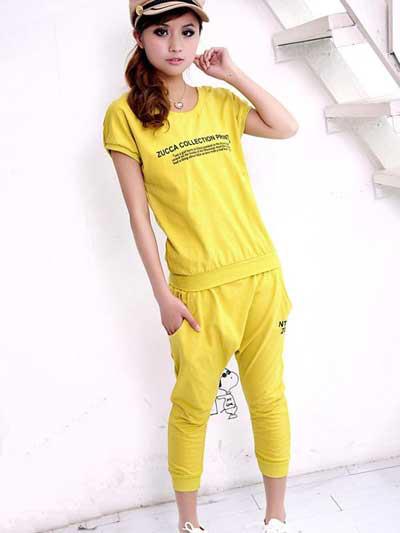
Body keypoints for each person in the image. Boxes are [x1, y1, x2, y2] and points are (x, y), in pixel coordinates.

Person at [102, 1, 299, 532]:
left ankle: (276, 516)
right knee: (191, 407)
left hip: (259, 277)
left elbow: (286, 126)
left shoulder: (220, 102)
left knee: (269, 398)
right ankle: (188, 523)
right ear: (139, 37)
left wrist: (232, 74)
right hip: (197, 292)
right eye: (161, 32)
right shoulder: (124, 116)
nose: (176, 45)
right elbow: (138, 217)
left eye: (188, 32)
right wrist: (162, 296)